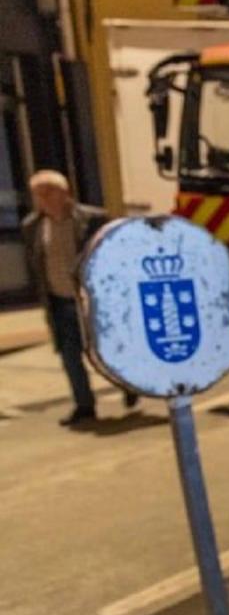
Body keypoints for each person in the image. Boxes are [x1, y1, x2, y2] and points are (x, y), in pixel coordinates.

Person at [21, 171, 131, 426]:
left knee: (110, 349)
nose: (43, 198)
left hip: (93, 300)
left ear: (65, 192)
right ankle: (84, 405)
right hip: (59, 301)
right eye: (38, 194)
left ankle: (128, 384)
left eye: (48, 191)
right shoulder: (32, 226)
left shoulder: (92, 219)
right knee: (70, 356)